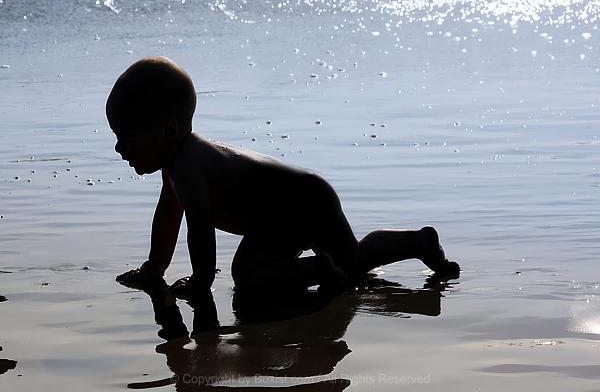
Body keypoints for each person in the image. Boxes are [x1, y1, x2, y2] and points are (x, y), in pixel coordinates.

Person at [106, 56, 460, 297]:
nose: (120, 149)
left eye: (126, 137)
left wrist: (201, 281)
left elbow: (199, 227)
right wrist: (156, 264)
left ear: (167, 129)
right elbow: (169, 218)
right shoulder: (180, 164)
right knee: (353, 259)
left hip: (290, 208)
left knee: (247, 275)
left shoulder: (187, 166)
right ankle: (418, 242)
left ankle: (317, 270)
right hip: (312, 192)